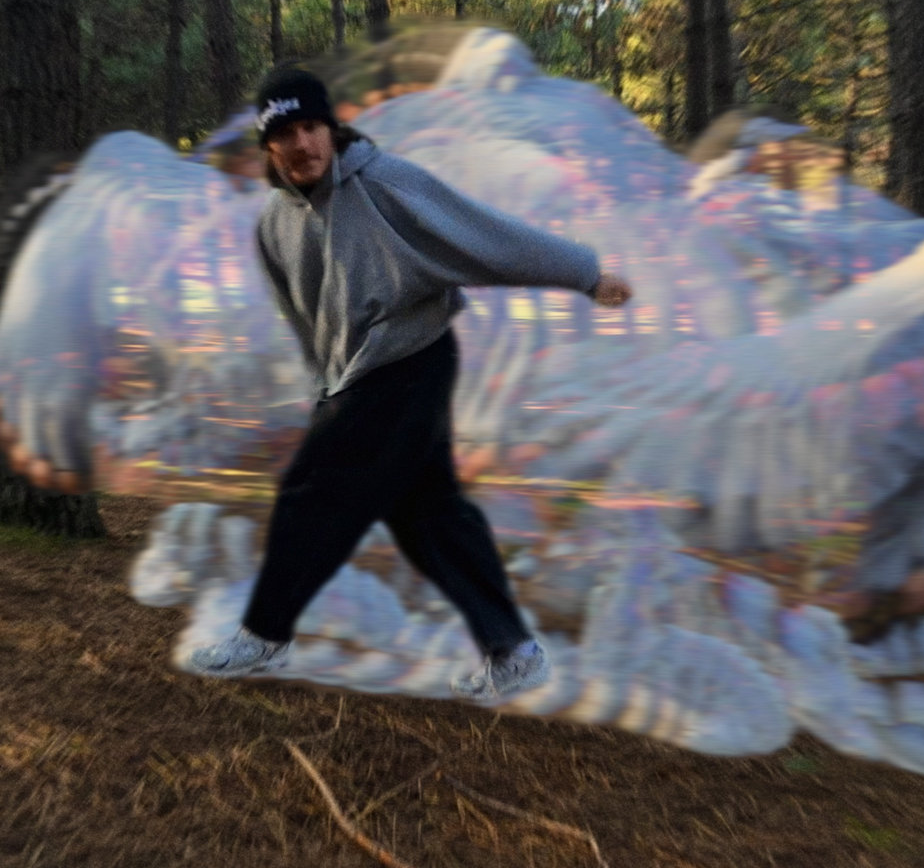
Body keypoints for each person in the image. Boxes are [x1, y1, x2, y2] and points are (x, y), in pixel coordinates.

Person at [190, 67, 632, 699]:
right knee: (429, 513)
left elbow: (486, 235)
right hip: (355, 376)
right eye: (284, 133)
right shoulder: (273, 225)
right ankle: (514, 652)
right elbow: (303, 318)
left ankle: (264, 634)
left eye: (312, 126)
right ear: (268, 146)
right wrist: (325, 385)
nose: (302, 143)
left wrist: (585, 274)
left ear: (332, 129)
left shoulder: (386, 183)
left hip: (409, 360)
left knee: (311, 493)